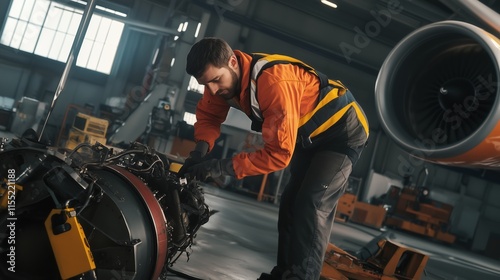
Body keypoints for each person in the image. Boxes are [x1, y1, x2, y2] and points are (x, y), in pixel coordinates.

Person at [179, 37, 369, 280]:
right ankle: (284, 274)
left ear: (233, 62)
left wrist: (217, 167)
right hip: (308, 136)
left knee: (311, 203)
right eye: (207, 84)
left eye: (216, 80)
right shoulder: (221, 80)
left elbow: (278, 156)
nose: (214, 90)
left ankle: (303, 277)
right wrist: (199, 154)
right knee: (290, 202)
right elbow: (209, 116)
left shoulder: (272, 82)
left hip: (343, 133)